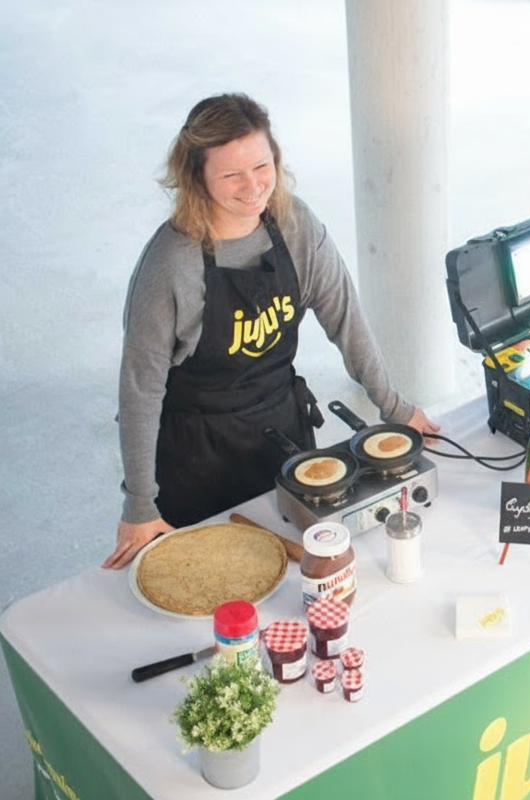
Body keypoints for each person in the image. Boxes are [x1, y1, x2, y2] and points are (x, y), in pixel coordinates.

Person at [105, 93, 441, 569]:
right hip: (196, 458)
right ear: (196, 176)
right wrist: (140, 504)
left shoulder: (295, 224)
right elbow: (140, 390)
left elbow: (346, 320)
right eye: (231, 175)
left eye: (262, 166)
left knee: (307, 576)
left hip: (283, 440)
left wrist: (396, 408)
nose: (253, 187)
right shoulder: (170, 264)